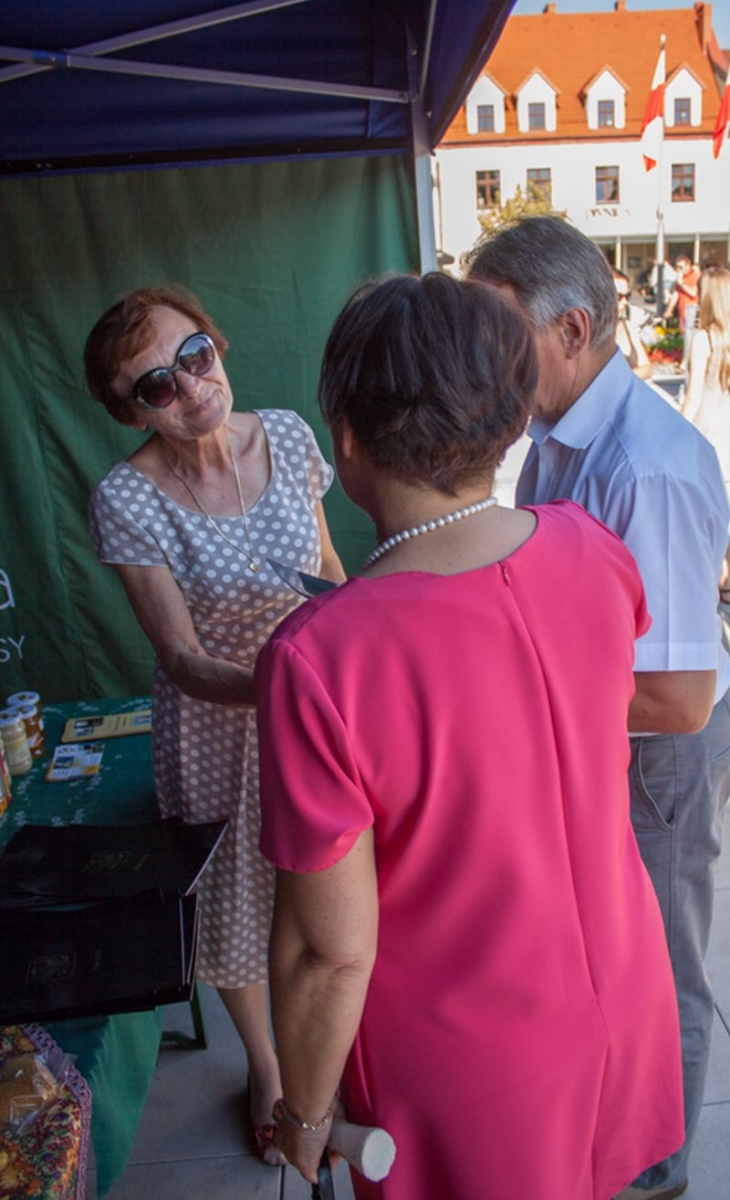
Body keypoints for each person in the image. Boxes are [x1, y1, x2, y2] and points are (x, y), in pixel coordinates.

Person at [254, 272, 683, 1200]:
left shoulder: (320, 656)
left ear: (347, 440)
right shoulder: (590, 550)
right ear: (512, 417)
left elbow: (328, 949)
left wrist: (304, 1113)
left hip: (469, 1063)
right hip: (622, 986)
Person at [469, 217, 730, 1200]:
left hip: (657, 753)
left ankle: (657, 1176)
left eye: (498, 336)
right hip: (600, 743)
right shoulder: (552, 438)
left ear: (571, 330)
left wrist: (511, 703)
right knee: (607, 966)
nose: (479, 359)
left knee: (664, 976)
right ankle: (613, 1144)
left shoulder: (645, 466)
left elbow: (676, 696)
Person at [84, 284, 345, 1165]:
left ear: (217, 344)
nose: (191, 385)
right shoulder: (127, 499)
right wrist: (292, 691)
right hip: (220, 723)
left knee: (333, 892)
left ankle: (337, 1045)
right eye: (157, 383)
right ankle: (265, 1067)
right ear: (131, 412)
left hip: (319, 707)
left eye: (194, 355)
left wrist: (356, 654)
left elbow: (328, 569)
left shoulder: (292, 437)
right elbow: (185, 660)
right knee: (237, 905)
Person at [613, 268, 653, 380]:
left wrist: (623, 380)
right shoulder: (588, 332)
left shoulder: (627, 326)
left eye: (627, 296)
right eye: (619, 297)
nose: (625, 302)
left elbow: (647, 367)